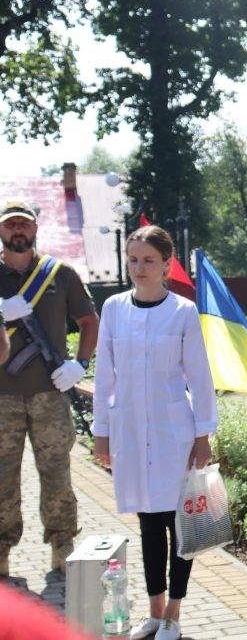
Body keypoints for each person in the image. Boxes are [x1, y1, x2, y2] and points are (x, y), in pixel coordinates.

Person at [92, 225, 218, 640]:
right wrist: (101, 432)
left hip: (174, 435)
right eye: (133, 260)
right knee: (148, 524)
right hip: (130, 431)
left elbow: (199, 378)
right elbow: (105, 377)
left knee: (179, 526)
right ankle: (154, 611)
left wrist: (203, 435)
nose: (140, 268)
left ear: (166, 265)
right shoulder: (113, 308)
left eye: (149, 260)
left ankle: (175, 616)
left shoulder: (181, 311)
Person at [0, 198, 98, 578]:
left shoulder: (60, 274)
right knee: (2, 475)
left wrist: (80, 364)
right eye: (11, 225)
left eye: (24, 224)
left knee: (56, 471)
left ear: (36, 229)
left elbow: (90, 321)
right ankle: (3, 549)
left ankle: (62, 544)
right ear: (2, 231)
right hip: (2, 396)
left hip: (50, 393)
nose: (18, 231)